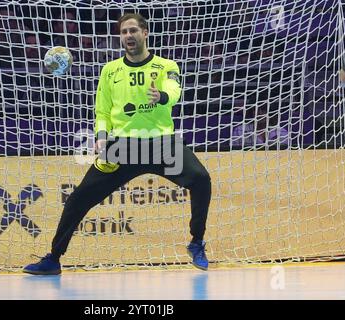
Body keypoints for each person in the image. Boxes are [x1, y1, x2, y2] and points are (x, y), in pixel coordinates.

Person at [23, 13, 212, 275]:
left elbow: (175, 91)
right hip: (122, 147)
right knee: (79, 199)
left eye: (133, 30)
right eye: (124, 32)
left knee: (201, 179)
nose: (128, 36)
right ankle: (53, 259)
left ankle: (196, 242)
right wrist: (101, 135)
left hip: (161, 145)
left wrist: (162, 96)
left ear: (145, 33)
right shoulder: (110, 71)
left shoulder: (166, 66)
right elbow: (102, 111)